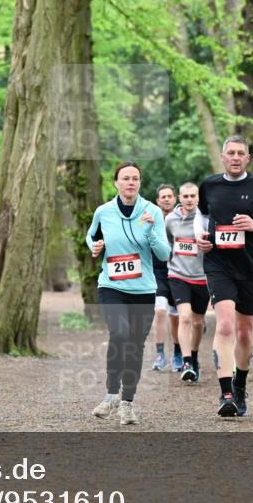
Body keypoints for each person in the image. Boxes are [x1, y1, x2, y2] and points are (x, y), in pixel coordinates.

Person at [196, 135, 253, 417]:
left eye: (240, 154)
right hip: (218, 264)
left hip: (252, 266)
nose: (235, 158)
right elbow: (201, 217)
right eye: (230, 153)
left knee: (245, 331)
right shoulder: (209, 185)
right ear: (222, 157)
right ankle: (226, 395)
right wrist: (200, 237)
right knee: (224, 326)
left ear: (247, 159)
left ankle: (240, 386)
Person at [87, 162, 171, 425]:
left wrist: (150, 231)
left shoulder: (152, 211)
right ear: (116, 183)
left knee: (134, 346)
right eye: (125, 178)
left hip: (143, 289)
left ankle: (127, 404)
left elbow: (164, 254)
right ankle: (111, 394)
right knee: (119, 333)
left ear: (140, 183)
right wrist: (95, 246)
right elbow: (90, 236)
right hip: (111, 285)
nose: (130, 182)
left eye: (135, 178)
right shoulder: (103, 211)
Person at [165, 182, 210, 383]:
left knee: (198, 322)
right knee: (184, 317)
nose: (189, 199)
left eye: (193, 196)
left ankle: (194, 354)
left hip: (201, 277)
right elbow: (166, 239)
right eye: (185, 196)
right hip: (177, 274)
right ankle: (186, 362)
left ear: (198, 198)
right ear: (179, 198)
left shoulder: (205, 220)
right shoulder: (170, 219)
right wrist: (167, 253)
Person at [150, 185, 183, 371]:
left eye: (170, 196)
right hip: (158, 272)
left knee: (176, 317)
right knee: (160, 310)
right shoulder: (148, 218)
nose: (166, 199)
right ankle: (160, 354)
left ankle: (178, 353)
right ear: (157, 200)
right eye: (163, 196)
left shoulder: (184, 218)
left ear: (175, 198)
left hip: (179, 271)